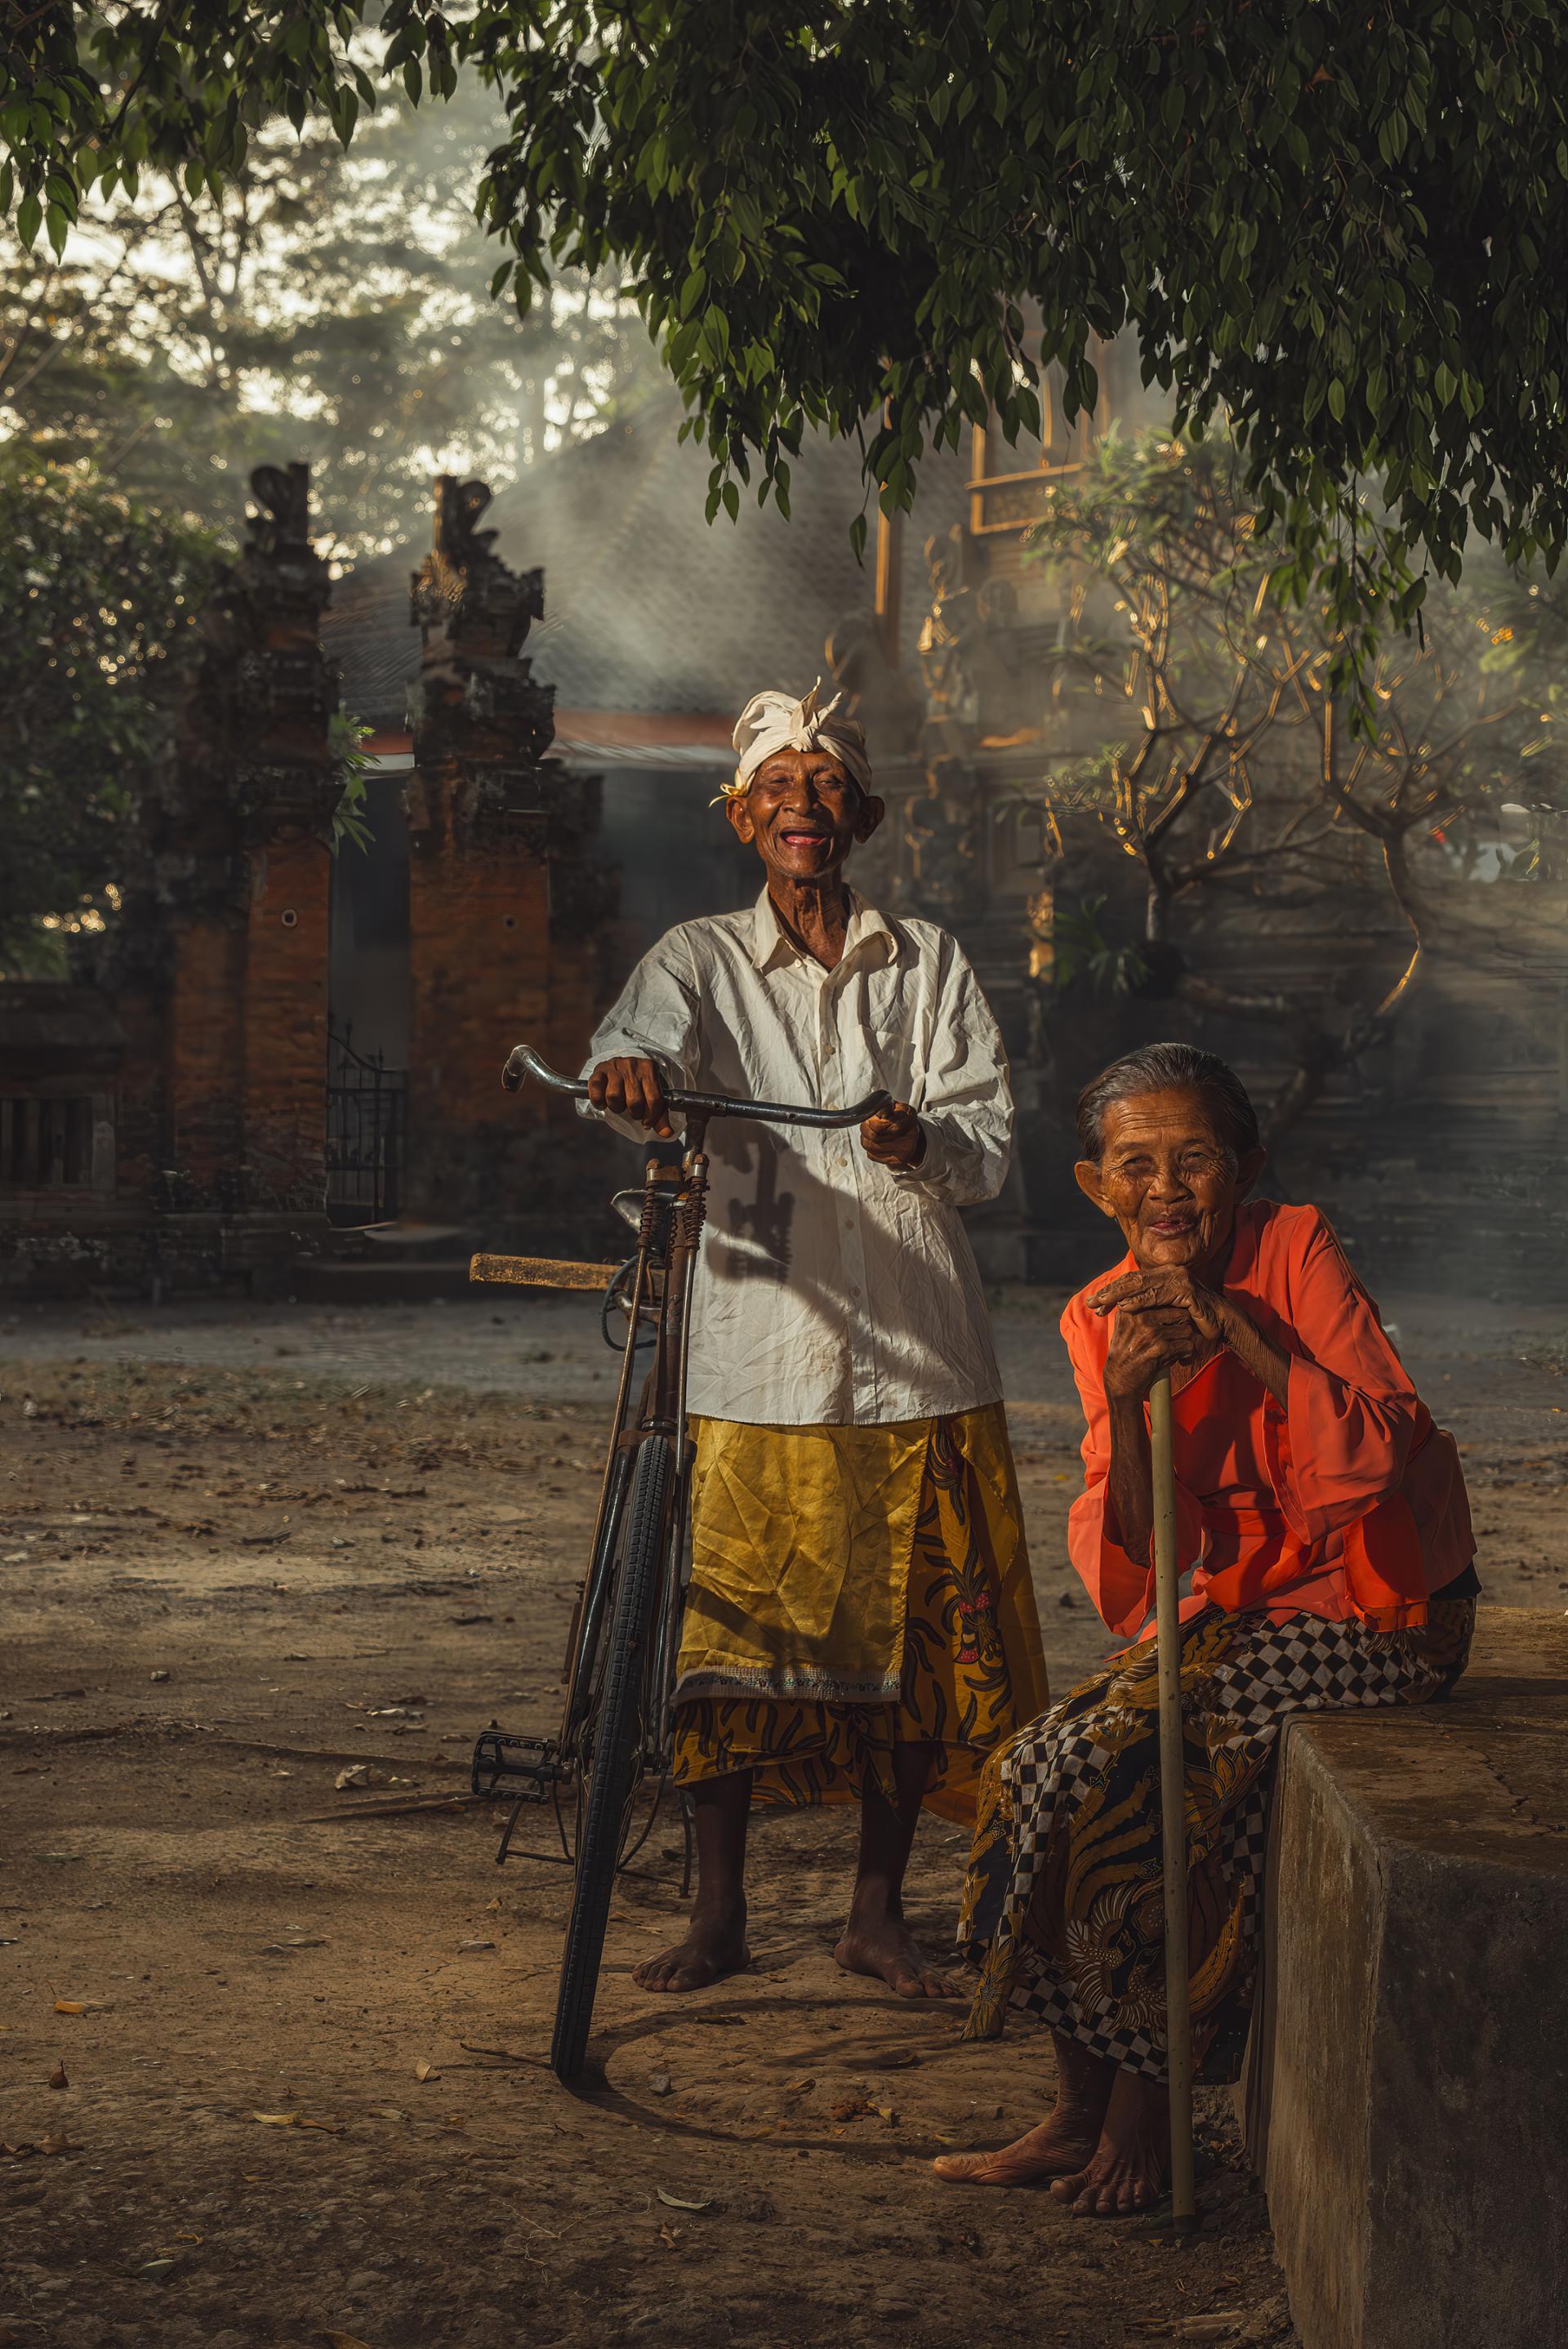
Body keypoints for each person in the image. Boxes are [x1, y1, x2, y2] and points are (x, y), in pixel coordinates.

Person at [934, 1041, 1478, 2216]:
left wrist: (1232, 1329)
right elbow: (1138, 1548)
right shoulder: (1095, 1316)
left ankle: (1147, 2104)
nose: (1165, 1189)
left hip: (1380, 1607)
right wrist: (1131, 1401)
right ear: (1096, 1186)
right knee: (1036, 1763)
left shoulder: (1295, 1248)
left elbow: (1380, 1451)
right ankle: (1075, 2104)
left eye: (1194, 1160)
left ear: (1247, 1167)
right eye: (1136, 1166)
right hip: (1224, 1611)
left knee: (1150, 1771)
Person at [581, 680, 1049, 1999]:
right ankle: (718, 1911)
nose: (804, 806)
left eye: (827, 786)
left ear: (865, 816)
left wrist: (924, 1141)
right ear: (742, 817)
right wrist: (629, 1077)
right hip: (761, 1346)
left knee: (914, 1647)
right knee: (733, 1637)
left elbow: (991, 1145)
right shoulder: (696, 960)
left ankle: (875, 1914)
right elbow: (635, 1052)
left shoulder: (930, 960)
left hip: (918, 1346)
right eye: (778, 789)